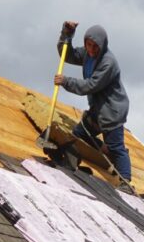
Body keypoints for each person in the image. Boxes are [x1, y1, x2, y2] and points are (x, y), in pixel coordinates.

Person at [54, 21, 132, 189]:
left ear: (102, 45)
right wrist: (67, 34)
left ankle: (126, 182)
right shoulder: (88, 55)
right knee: (80, 133)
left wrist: (66, 82)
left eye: (95, 46)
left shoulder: (108, 62)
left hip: (112, 111)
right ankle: (99, 151)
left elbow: (90, 85)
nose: (91, 49)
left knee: (117, 147)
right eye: (88, 45)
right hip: (97, 109)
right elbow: (67, 54)